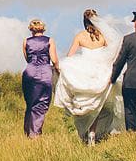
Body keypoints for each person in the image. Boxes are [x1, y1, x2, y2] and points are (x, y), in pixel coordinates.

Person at [52, 9, 124, 142]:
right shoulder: (103, 37)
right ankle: (93, 133)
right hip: (100, 72)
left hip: (84, 72)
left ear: (84, 21)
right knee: (98, 104)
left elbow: (70, 55)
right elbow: (113, 52)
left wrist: (65, 68)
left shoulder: (80, 36)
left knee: (87, 106)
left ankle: (89, 133)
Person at [20, 19, 60, 137]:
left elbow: (27, 58)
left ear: (31, 29)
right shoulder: (49, 40)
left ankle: (28, 131)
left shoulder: (25, 41)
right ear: (43, 28)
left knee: (30, 103)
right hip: (44, 72)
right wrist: (58, 70)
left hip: (30, 71)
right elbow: (54, 60)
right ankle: (35, 134)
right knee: (41, 103)